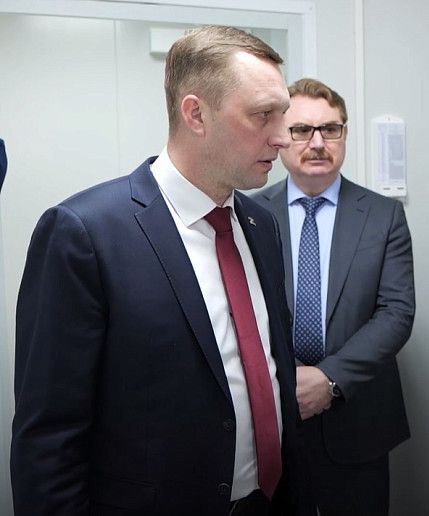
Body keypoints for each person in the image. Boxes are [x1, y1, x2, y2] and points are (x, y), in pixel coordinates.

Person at [11, 26, 312, 516]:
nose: (282, 137)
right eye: (263, 115)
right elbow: (49, 436)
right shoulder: (84, 234)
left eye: (283, 114)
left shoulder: (261, 224)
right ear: (195, 114)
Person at [253, 78, 414, 516]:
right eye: (302, 129)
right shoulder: (248, 213)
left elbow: (397, 313)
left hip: (359, 417)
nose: (318, 142)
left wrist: (329, 379)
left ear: (344, 134)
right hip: (275, 416)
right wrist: (289, 378)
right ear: (281, 135)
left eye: (330, 129)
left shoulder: (383, 214)